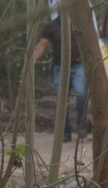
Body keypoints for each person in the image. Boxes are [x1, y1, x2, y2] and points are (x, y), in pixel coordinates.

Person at [33, 15, 88, 143]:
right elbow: (42, 44)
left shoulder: (78, 22)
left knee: (81, 94)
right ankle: (65, 132)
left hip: (78, 66)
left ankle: (81, 125)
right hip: (60, 68)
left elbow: (88, 41)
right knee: (61, 100)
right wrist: (32, 59)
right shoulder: (51, 26)